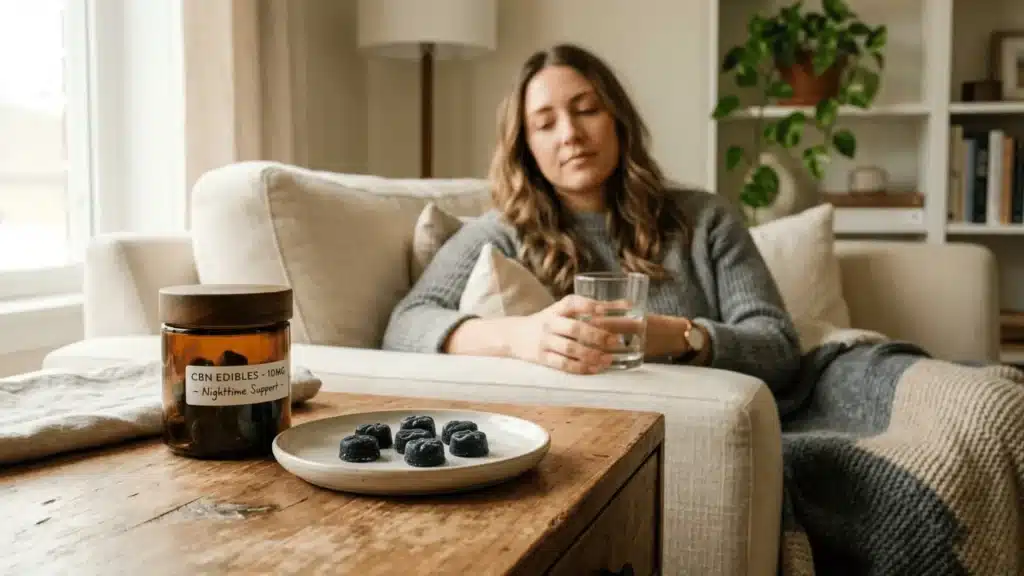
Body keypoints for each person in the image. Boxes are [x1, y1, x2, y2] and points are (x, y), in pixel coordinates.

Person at [381, 43, 800, 390]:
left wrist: (679, 336)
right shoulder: (502, 233)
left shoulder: (706, 219)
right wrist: (521, 336)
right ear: (526, 148)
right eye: (545, 124)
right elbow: (405, 326)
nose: (570, 134)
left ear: (618, 120)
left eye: (586, 109)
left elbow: (780, 349)